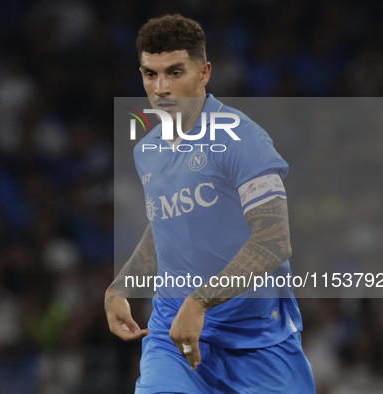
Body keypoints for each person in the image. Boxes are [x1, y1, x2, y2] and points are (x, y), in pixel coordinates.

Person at [104, 14, 316, 393]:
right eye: (150, 75)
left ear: (204, 73)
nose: (162, 88)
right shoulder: (146, 150)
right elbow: (168, 226)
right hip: (173, 338)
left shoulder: (242, 139)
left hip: (258, 343)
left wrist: (200, 303)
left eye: (175, 72)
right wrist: (120, 288)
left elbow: (273, 240)